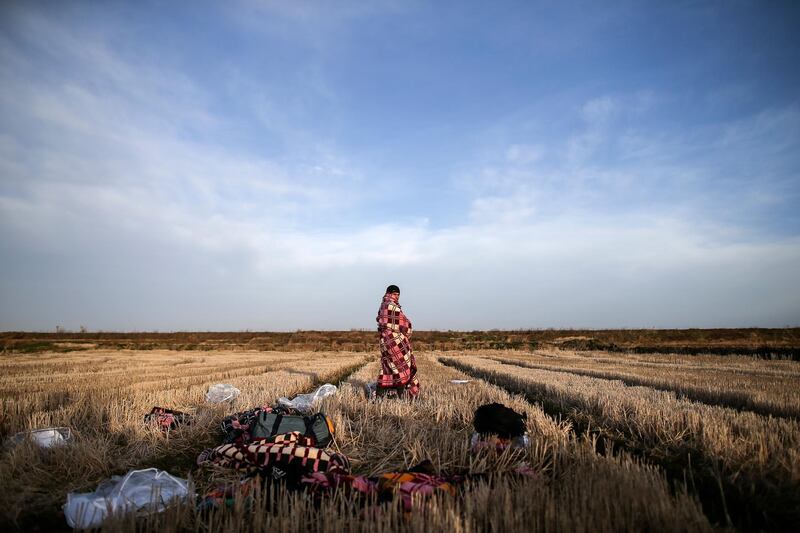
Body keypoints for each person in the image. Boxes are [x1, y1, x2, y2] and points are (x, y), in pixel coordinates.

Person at [375, 284, 420, 398]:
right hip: (395, 342)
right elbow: (405, 324)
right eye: (395, 294)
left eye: (398, 294)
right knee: (402, 367)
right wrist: (408, 331)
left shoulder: (382, 306)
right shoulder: (392, 306)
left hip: (384, 341)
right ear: (389, 293)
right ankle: (401, 397)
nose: (397, 297)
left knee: (388, 367)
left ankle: (379, 397)